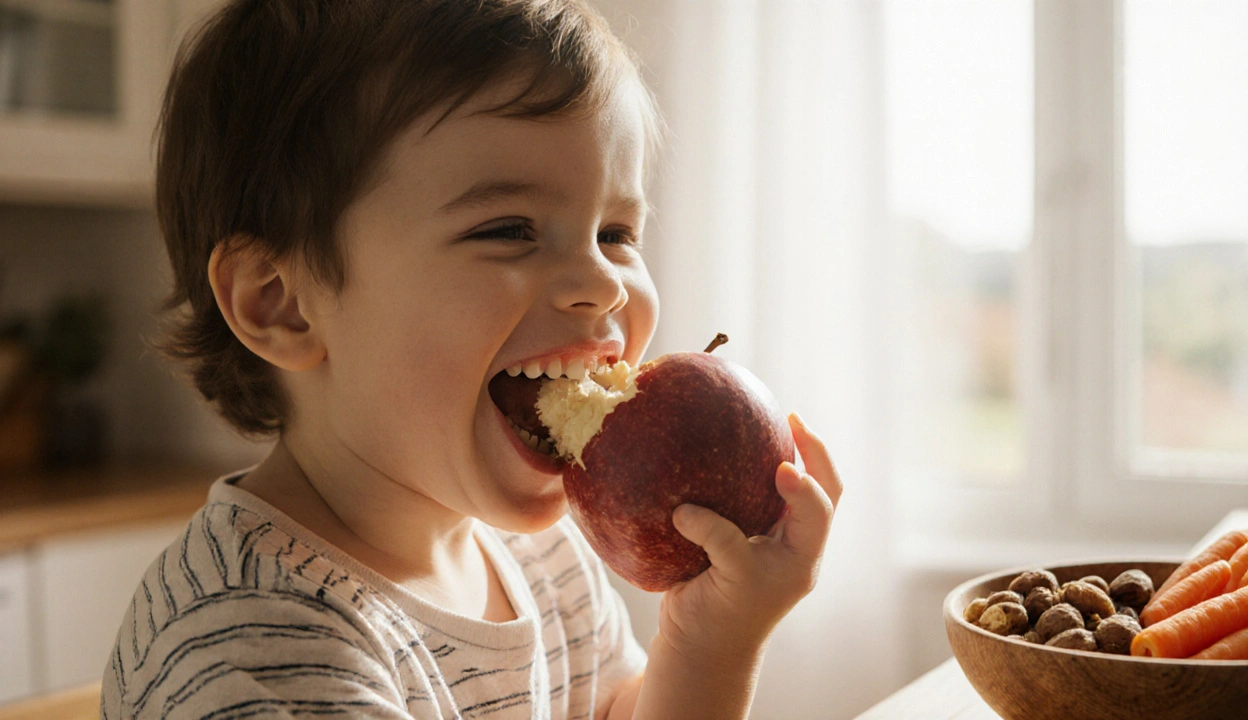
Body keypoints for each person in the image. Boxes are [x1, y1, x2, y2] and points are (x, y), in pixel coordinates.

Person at [102, 0, 843, 717]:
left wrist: (711, 643)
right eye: (510, 229)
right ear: (281, 305)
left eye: (617, 232)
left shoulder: (546, 561)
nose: (601, 283)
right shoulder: (255, 651)